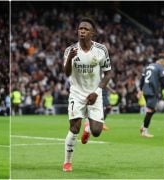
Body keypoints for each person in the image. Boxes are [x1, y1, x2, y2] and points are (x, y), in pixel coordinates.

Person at [62, 18, 112, 172]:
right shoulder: (70, 50)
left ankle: (89, 127)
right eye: (80, 29)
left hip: (94, 93)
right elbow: (67, 73)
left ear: (93, 33)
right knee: (74, 128)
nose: (82, 31)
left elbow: (108, 74)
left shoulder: (101, 50)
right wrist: (70, 58)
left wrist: (97, 92)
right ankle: (67, 162)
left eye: (85, 29)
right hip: (77, 93)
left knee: (97, 132)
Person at [138, 58, 164, 138]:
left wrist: (140, 89)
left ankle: (143, 126)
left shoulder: (148, 67)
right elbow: (163, 80)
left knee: (153, 110)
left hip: (145, 90)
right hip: (153, 90)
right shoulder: (160, 68)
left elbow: (142, 79)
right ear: (162, 63)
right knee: (150, 110)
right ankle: (144, 131)